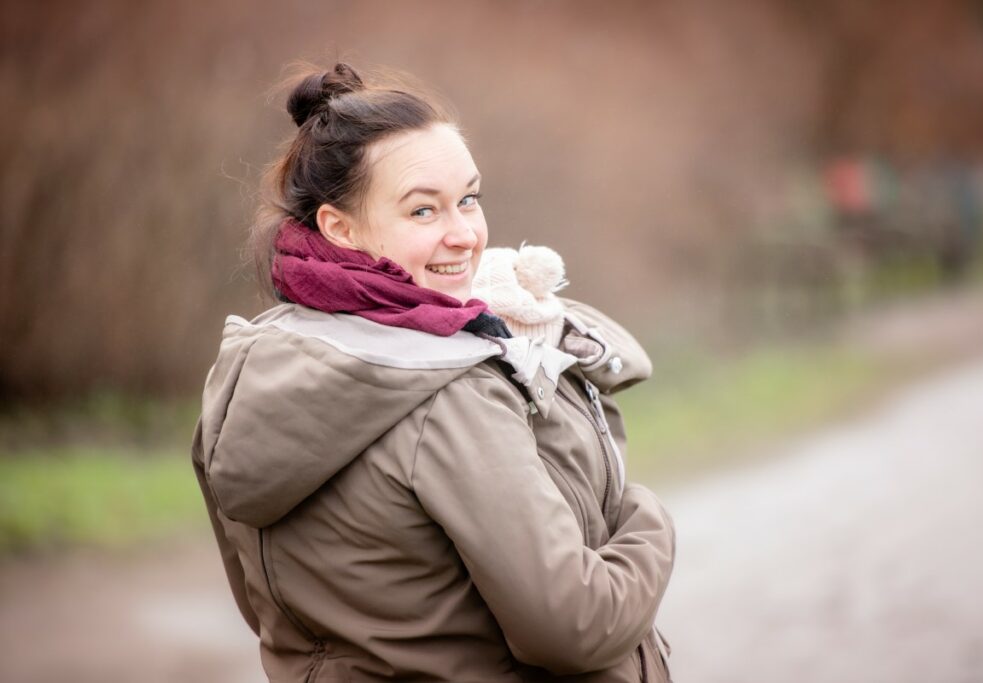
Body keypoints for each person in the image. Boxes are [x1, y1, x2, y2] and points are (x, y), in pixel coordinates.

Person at [192, 62, 675, 682]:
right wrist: (646, 520)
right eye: (424, 212)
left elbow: (268, 612)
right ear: (339, 229)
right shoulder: (445, 392)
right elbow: (576, 626)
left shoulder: (249, 371)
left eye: (468, 199)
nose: (465, 235)